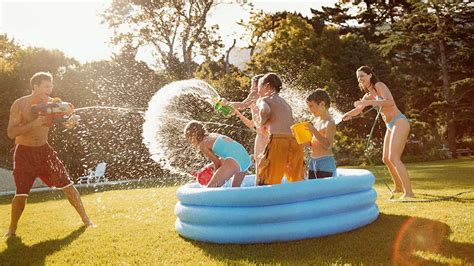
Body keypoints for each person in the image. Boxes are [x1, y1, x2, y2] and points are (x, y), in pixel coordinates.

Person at [5, 72, 94, 238]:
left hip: (44, 151)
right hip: (24, 153)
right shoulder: (20, 104)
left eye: (51, 85)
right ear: (35, 86)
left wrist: (70, 123)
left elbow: (64, 122)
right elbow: (11, 132)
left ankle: (86, 220)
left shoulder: (53, 105)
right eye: (46, 86)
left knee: (68, 185)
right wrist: (35, 123)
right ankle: (12, 229)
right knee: (21, 193)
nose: (50, 89)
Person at [341, 66, 414, 198]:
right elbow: (358, 110)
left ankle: (409, 193)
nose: (360, 79)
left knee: (394, 158)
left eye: (362, 76)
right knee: (386, 158)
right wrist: (346, 115)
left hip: (399, 122)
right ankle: (398, 187)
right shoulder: (367, 96)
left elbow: (390, 102)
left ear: (370, 75)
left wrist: (368, 103)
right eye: (358, 77)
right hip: (390, 125)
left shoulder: (379, 85)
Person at [256, 73, 305, 185]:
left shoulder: (264, 100)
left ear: (267, 86)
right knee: (297, 182)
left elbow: (265, 111)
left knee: (267, 180)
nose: (258, 91)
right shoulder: (286, 103)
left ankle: (267, 202)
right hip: (294, 141)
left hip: (278, 141)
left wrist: (262, 123)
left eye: (259, 87)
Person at [184, 121, 251, 187]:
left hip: (235, 159)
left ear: (193, 136)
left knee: (210, 189)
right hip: (245, 158)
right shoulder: (213, 135)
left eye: (189, 138)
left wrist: (214, 175)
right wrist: (203, 170)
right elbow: (223, 159)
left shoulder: (203, 144)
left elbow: (217, 163)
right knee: (235, 190)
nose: (190, 142)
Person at [227, 74, 269, 173]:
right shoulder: (266, 97)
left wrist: (227, 103)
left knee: (259, 162)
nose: (251, 88)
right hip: (269, 132)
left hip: (262, 135)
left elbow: (243, 105)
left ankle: (260, 185)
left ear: (258, 85)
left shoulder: (255, 94)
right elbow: (251, 124)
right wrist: (238, 114)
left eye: (252, 85)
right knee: (271, 161)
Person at [304, 89, 337, 178]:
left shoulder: (330, 123)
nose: (310, 110)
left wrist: (314, 130)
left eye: (311, 106)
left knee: (325, 191)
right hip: (313, 161)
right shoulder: (316, 121)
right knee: (312, 190)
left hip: (325, 162)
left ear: (322, 104)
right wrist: (300, 141)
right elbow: (313, 144)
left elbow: (327, 145)